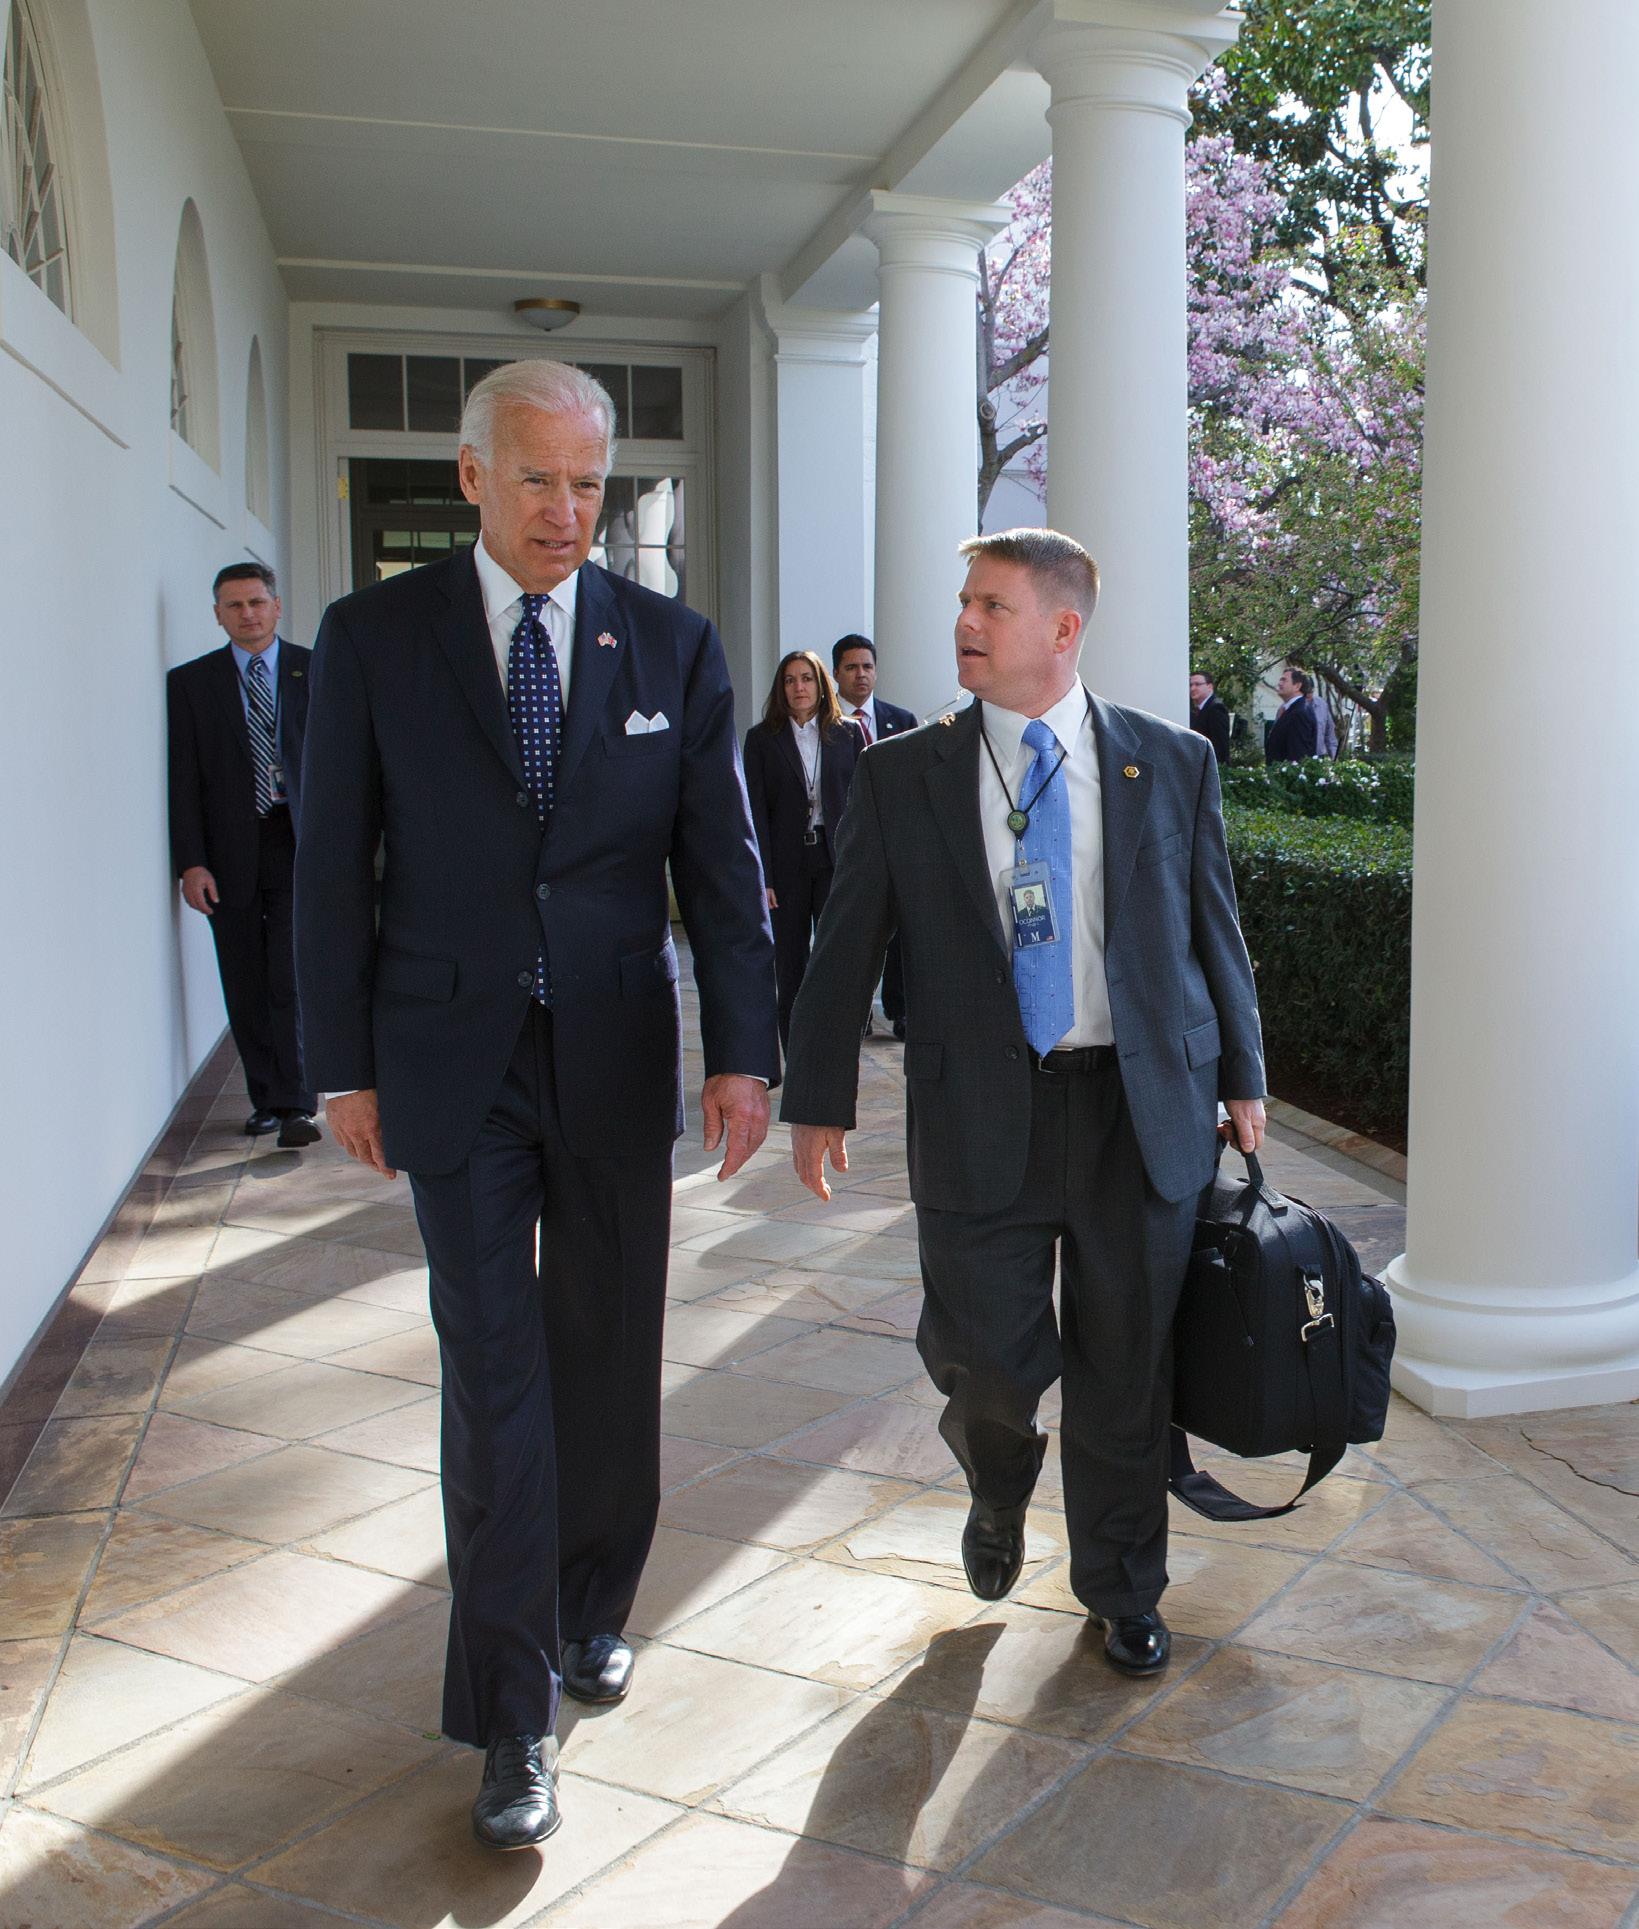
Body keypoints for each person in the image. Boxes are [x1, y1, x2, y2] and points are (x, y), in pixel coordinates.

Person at [294, 360, 779, 1851]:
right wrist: (339, 1063)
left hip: (616, 1057)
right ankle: (510, 1715)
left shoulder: (671, 645)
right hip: (453, 1063)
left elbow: (720, 863)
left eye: (587, 484)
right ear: (471, 479)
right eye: (536, 480)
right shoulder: (374, 639)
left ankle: (589, 1606)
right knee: (493, 1374)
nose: (566, 511)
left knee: (606, 1353)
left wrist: (744, 1051)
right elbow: (331, 863)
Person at [781, 528, 1265, 1683]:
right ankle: (997, 1481)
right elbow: (845, 944)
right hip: (978, 1111)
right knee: (986, 1358)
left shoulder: (1169, 761)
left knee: (1126, 1368)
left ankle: (1122, 1587)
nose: (963, 622)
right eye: (965, 601)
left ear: (1062, 627)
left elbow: (1212, 927)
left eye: (991, 606)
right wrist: (819, 1096)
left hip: (1138, 1110)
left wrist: (1242, 1074)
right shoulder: (904, 773)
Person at [167, 562, 319, 1150]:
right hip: (228, 849)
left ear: (277, 607)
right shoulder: (191, 684)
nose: (247, 614)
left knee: (289, 972)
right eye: (234, 605)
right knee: (243, 974)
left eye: (257, 602)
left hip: (295, 840)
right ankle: (267, 1102)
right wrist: (191, 863)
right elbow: (183, 779)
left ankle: (298, 1104)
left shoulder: (316, 669)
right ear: (217, 615)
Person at [742, 652, 862, 1047]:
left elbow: (863, 805)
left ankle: (833, 1046)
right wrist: (763, 877)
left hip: (834, 860)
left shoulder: (848, 734)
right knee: (789, 964)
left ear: (821, 684)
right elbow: (755, 812)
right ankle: (795, 1053)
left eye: (807, 678)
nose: (799, 687)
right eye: (790, 680)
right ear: (781, 688)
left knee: (834, 959)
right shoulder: (762, 739)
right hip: (787, 865)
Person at [832, 634, 918, 1037]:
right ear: (836, 673)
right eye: (851, 667)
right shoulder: (824, 723)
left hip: (897, 842)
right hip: (847, 844)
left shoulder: (901, 722)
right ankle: (856, 1012)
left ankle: (899, 1010)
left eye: (867, 666)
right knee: (852, 931)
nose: (861, 675)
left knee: (902, 933)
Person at [1265, 663, 1319, 762]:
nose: (1279, 683)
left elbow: (1298, 755)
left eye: (1284, 680)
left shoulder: (1300, 713)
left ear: (1297, 686)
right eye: (1280, 680)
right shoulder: (1290, 709)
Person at [1188, 669, 1231, 763]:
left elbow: (1220, 745)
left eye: (1197, 684)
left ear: (1210, 687)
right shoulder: (1198, 709)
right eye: (1190, 685)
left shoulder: (1216, 708)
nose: (1192, 688)